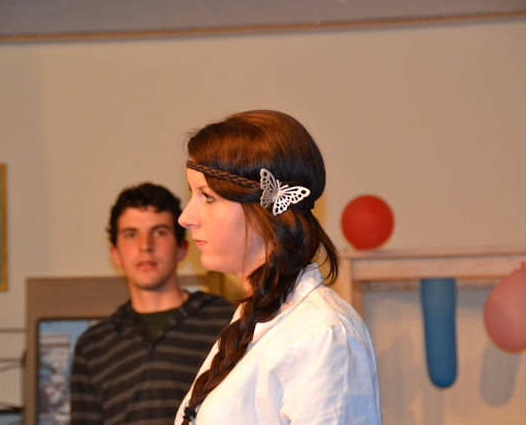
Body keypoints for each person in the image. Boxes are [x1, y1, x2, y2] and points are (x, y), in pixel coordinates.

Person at [175, 110, 381, 424]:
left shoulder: (324, 334)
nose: (185, 218)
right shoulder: (252, 320)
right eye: (192, 194)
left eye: (208, 197)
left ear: (265, 209)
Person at [70, 183, 235, 425]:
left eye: (159, 232)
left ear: (181, 248)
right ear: (115, 254)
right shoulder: (93, 346)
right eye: (131, 234)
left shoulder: (228, 321)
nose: (145, 246)